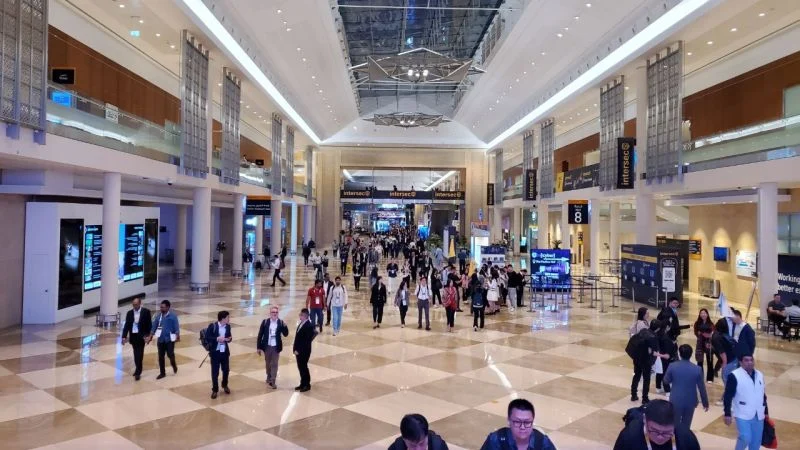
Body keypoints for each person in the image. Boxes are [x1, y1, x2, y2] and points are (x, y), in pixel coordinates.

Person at [613, 399, 701, 450]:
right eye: (654, 431)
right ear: (644, 420)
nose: (660, 437)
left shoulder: (687, 438)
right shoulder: (629, 436)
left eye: (667, 433)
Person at [723, 354, 768, 450]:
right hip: (742, 413)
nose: (750, 362)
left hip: (759, 414)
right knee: (745, 437)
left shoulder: (759, 374)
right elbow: (727, 396)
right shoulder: (734, 375)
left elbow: (762, 394)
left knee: (756, 442)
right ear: (740, 362)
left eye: (751, 360)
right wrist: (727, 413)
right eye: (746, 360)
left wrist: (766, 412)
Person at [480, 398, 557, 450]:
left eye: (527, 422)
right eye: (517, 422)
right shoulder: (496, 440)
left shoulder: (542, 442)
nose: (522, 427)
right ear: (509, 420)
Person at [663, 344, 709, 428]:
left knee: (675, 424)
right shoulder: (697, 369)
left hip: (675, 399)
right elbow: (702, 388)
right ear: (691, 354)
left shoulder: (672, 366)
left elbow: (666, 381)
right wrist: (705, 403)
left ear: (680, 354)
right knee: (686, 425)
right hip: (690, 400)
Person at [256, 306, 289, 389]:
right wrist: (258, 347)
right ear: (270, 313)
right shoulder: (265, 322)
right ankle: (269, 376)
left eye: (276, 312)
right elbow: (260, 335)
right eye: (273, 312)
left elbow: (286, 334)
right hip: (267, 346)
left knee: (274, 363)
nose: (275, 314)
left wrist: (285, 326)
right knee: (268, 363)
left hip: (276, 347)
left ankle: (272, 380)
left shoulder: (280, 322)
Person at [121, 297, 152, 381]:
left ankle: (138, 372)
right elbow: (126, 326)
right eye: (133, 305)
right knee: (135, 354)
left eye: (136, 304)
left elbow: (149, 325)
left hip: (142, 336)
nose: (134, 306)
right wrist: (124, 336)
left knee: (140, 354)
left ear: (140, 304)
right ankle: (138, 369)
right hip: (133, 336)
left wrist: (148, 336)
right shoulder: (129, 313)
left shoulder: (146, 312)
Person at [630, 318, 660, 404]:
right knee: (646, 379)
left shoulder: (643, 330)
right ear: (657, 329)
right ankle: (645, 398)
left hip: (637, 358)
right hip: (646, 361)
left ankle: (633, 395)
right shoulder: (654, 337)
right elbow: (655, 350)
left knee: (636, 376)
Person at [204, 311, 232, 399]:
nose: (229, 319)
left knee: (226, 370)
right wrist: (217, 338)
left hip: (224, 352)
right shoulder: (213, 326)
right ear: (223, 319)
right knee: (215, 372)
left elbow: (229, 336)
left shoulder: (228, 326)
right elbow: (207, 337)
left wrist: (229, 339)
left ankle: (225, 385)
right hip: (215, 353)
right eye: (228, 317)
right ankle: (215, 390)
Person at [150, 300, 180, 380]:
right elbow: (154, 326)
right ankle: (162, 373)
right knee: (161, 356)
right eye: (161, 307)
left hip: (169, 340)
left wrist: (177, 334)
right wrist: (151, 335)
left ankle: (173, 364)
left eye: (163, 307)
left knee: (170, 354)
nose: (161, 309)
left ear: (168, 307)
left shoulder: (173, 316)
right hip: (160, 340)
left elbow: (176, 326)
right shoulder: (158, 316)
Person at [712, 318, 737, 406]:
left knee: (727, 380)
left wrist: (724, 364)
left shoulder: (715, 337)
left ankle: (727, 400)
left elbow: (722, 353)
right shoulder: (724, 334)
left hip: (730, 360)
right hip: (735, 357)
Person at [293, 308, 316, 392]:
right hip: (298, 350)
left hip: (304, 351)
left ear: (305, 316)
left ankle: (307, 385)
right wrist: (295, 349)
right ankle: (302, 383)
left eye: (301, 315)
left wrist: (298, 350)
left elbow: (306, 342)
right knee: (301, 367)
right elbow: (297, 338)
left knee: (304, 367)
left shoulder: (309, 326)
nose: (300, 316)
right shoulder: (301, 323)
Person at [654, 319, 677, 396]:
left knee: (659, 372)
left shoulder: (657, 334)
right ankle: (667, 390)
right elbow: (668, 351)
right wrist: (672, 344)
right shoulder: (665, 337)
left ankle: (658, 387)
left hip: (658, 357)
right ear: (667, 327)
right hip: (664, 357)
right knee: (665, 373)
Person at [693, 308, 715, 383]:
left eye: (704, 313)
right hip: (700, 343)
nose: (703, 314)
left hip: (709, 343)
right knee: (700, 361)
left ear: (707, 314)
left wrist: (709, 335)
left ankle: (710, 378)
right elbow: (696, 332)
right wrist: (702, 334)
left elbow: (713, 333)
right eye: (701, 313)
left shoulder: (711, 324)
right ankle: (700, 377)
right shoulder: (697, 323)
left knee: (710, 361)